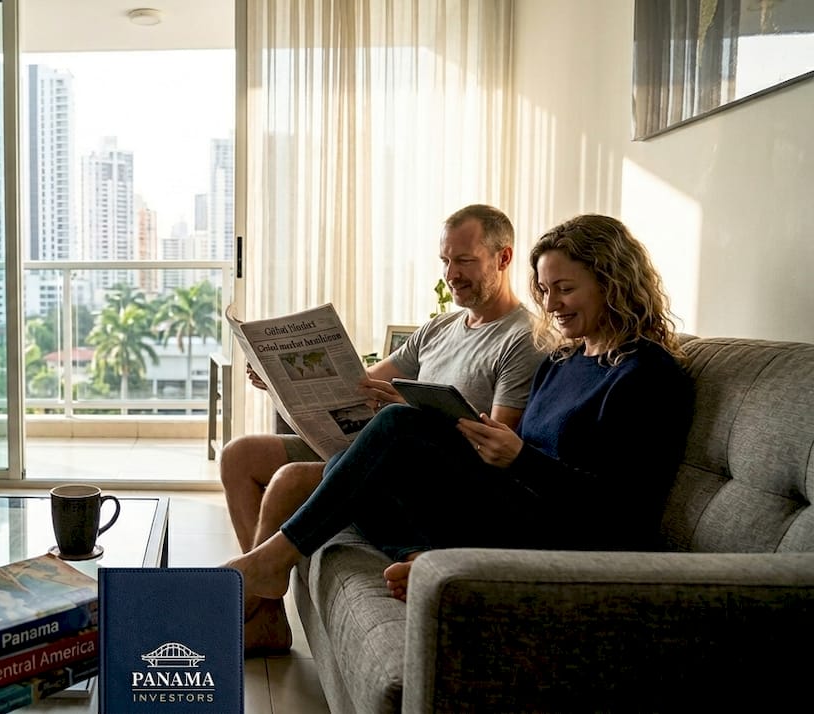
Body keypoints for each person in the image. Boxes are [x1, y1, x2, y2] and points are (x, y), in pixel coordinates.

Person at [226, 213, 694, 607]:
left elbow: (624, 508)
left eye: (565, 289)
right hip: (515, 504)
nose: (551, 305)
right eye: (546, 290)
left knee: (397, 425)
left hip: (567, 537)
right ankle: (421, 555)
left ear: (611, 283)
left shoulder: (646, 376)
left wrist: (519, 458)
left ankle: (274, 559)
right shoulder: (563, 359)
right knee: (347, 468)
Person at [221, 204, 546, 654]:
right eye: (445, 261)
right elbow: (362, 383)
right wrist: (280, 377)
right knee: (240, 455)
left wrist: (414, 412)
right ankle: (268, 616)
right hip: (381, 448)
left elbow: (493, 448)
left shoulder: (522, 338)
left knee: (293, 478)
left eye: (464, 260)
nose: (452, 273)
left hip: (443, 478)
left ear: (503, 258)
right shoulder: (440, 328)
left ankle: (260, 577)